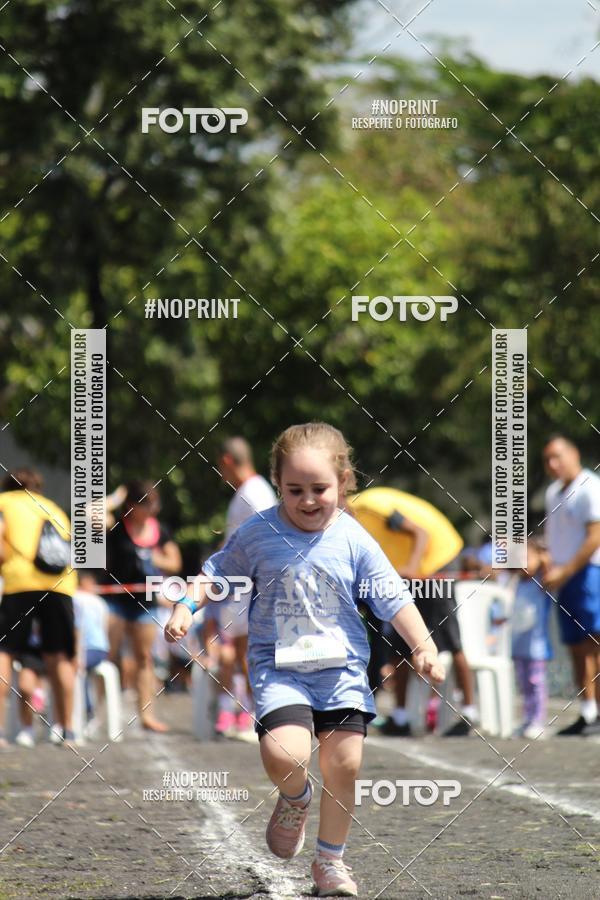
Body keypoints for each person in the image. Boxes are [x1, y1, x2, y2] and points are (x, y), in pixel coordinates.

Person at [165, 422, 445, 897]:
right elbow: (216, 574)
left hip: (342, 671)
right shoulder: (258, 533)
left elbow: (392, 596)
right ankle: (295, 797)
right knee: (284, 753)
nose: (308, 500)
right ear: (278, 485)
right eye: (295, 490)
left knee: (346, 763)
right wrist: (186, 605)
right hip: (280, 669)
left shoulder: (355, 538)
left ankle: (330, 862)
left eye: (320, 489)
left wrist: (422, 644)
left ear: (343, 481)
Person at [347, 495, 475, 737]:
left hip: (439, 559)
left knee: (450, 640)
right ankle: (400, 717)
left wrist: (413, 568)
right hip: (411, 569)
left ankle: (469, 713)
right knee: (401, 641)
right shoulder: (344, 525)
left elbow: (421, 534)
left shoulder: (368, 507)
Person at [0, 468, 77, 746]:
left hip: (20, 582)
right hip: (61, 586)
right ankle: (68, 729)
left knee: (5, 652)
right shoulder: (55, 508)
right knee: (59, 657)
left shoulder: (4, 502)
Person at [211, 437, 277, 734]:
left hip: (252, 586)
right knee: (240, 653)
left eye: (219, 467)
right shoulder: (247, 493)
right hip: (241, 587)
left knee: (250, 652)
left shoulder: (254, 493)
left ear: (227, 461)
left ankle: (257, 715)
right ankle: (247, 711)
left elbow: (266, 540)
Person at [105, 480, 181, 732]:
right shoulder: (116, 528)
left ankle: (147, 715)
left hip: (145, 602)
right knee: (109, 656)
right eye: (147, 504)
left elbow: (174, 563)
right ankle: (99, 713)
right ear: (131, 506)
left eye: (154, 504)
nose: (153, 510)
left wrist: (150, 556)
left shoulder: (160, 530)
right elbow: (88, 513)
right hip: (115, 601)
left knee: (144, 659)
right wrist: (114, 499)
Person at [542, 435, 600, 736]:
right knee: (575, 646)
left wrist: (566, 570)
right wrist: (550, 564)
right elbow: (555, 540)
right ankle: (588, 710)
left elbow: (595, 537)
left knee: (593, 643)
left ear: (574, 454)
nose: (553, 464)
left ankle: (596, 711)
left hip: (589, 571)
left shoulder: (590, 487)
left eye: (558, 457)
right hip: (565, 576)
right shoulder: (553, 492)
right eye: (548, 459)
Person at [512, 539, 553, 739]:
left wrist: (543, 557)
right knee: (524, 684)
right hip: (519, 645)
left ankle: (538, 720)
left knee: (536, 682)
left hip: (536, 646)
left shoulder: (541, 583)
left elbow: (547, 567)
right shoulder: (517, 583)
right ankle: (528, 718)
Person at [73, 571, 111, 734]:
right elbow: (105, 627)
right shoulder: (100, 602)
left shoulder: (76, 598)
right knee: (78, 673)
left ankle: (87, 713)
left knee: (76, 671)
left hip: (90, 648)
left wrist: (78, 654)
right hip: (99, 649)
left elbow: (77, 629)